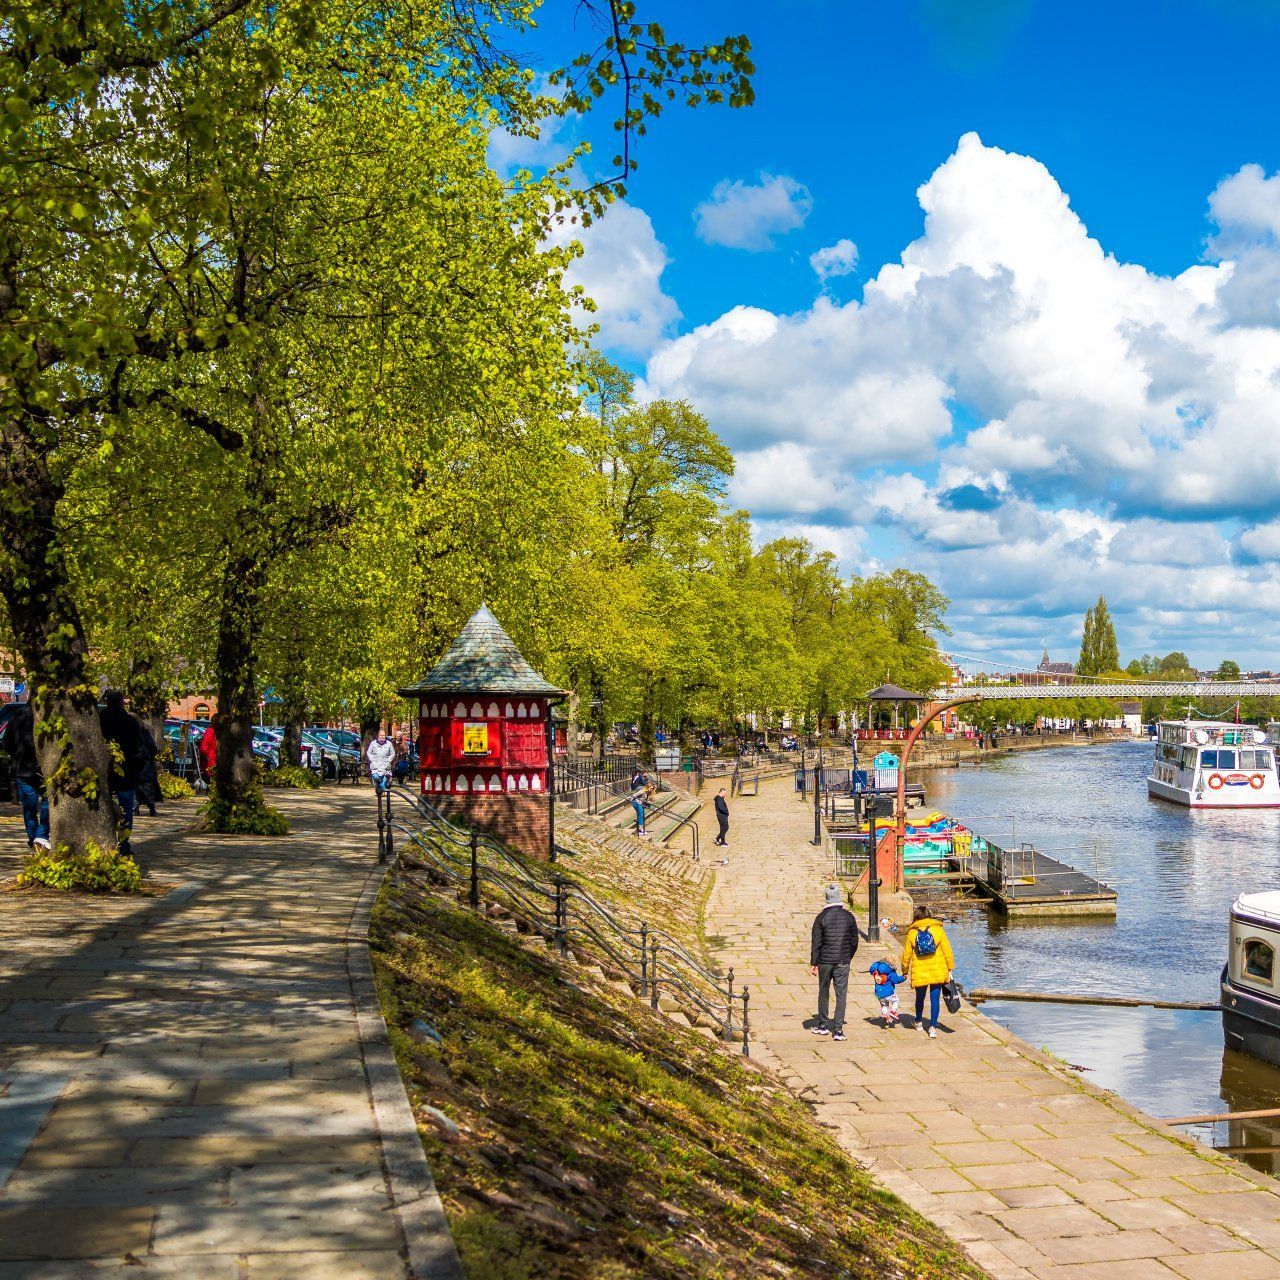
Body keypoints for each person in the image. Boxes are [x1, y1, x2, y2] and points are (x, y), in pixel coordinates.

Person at [809, 884, 858, 1042]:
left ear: (827, 898)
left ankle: (823, 1025)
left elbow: (816, 942)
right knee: (841, 993)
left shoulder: (821, 917)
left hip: (825, 961)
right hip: (843, 960)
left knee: (823, 991)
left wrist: (814, 962)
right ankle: (838, 1029)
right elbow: (854, 941)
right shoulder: (849, 916)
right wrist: (848, 956)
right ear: (839, 897)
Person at [901, 904, 956, 1039]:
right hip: (937, 969)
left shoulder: (912, 932)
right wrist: (950, 967)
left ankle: (919, 1022)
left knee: (920, 997)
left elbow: (907, 954)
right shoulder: (938, 929)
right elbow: (947, 950)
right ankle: (932, 1027)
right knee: (935, 999)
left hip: (920, 969)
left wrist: (904, 970)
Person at [100, 690, 142, 854]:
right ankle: (124, 842)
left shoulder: (100, 719)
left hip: (105, 770)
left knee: (103, 804)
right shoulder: (130, 722)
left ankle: (105, 838)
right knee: (126, 807)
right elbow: (139, 747)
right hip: (127, 770)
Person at [6, 702, 50, 851]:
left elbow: (7, 741)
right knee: (47, 802)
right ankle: (42, 835)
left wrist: (17, 756)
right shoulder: (48, 713)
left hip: (23, 768)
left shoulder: (18, 715)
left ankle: (33, 838)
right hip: (43, 768)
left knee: (29, 807)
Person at [868, 959, 907, 1025]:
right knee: (896, 1001)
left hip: (879, 993)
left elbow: (872, 968)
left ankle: (885, 1015)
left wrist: (879, 962)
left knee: (884, 1005)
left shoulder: (875, 970)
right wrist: (903, 977)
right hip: (889, 993)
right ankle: (893, 1012)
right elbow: (897, 980)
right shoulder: (890, 972)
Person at [134, 722, 161, 818]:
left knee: (137, 786)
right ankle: (151, 808)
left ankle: (136, 808)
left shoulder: (132, 733)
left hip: (137, 764)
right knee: (147, 786)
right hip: (146, 764)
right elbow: (153, 748)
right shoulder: (145, 733)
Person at [366, 728, 395, 792]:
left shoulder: (389, 743)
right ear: (378, 736)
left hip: (385, 764)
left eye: (384, 735)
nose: (382, 736)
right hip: (375, 764)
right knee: (376, 777)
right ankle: (381, 789)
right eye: (381, 735)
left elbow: (392, 753)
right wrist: (372, 760)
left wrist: (388, 760)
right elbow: (368, 752)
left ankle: (381, 790)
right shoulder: (373, 743)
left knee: (384, 777)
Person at [197, 715, 218, 788]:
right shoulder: (211, 731)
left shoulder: (211, 731)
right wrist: (210, 755)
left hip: (213, 760)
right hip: (212, 760)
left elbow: (204, 747)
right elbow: (204, 748)